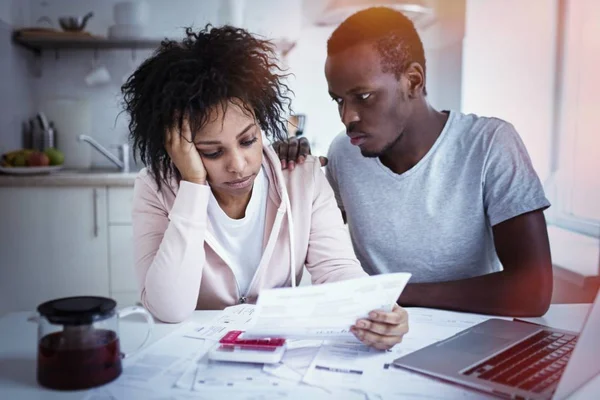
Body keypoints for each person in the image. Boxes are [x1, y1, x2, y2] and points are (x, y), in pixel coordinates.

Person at [121, 25, 408, 350]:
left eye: (248, 140)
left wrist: (375, 311)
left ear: (263, 125)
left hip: (275, 354)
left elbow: (336, 269)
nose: (238, 165)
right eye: (212, 152)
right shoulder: (155, 187)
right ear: (177, 148)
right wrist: (193, 185)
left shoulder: (302, 178)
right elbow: (168, 309)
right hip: (188, 354)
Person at [274, 7, 553, 317]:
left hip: (469, 337)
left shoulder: (490, 143)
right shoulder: (344, 151)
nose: (347, 117)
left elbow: (534, 291)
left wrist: (388, 292)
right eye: (338, 100)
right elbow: (316, 248)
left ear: (413, 80)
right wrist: (284, 175)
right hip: (374, 333)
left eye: (363, 96)